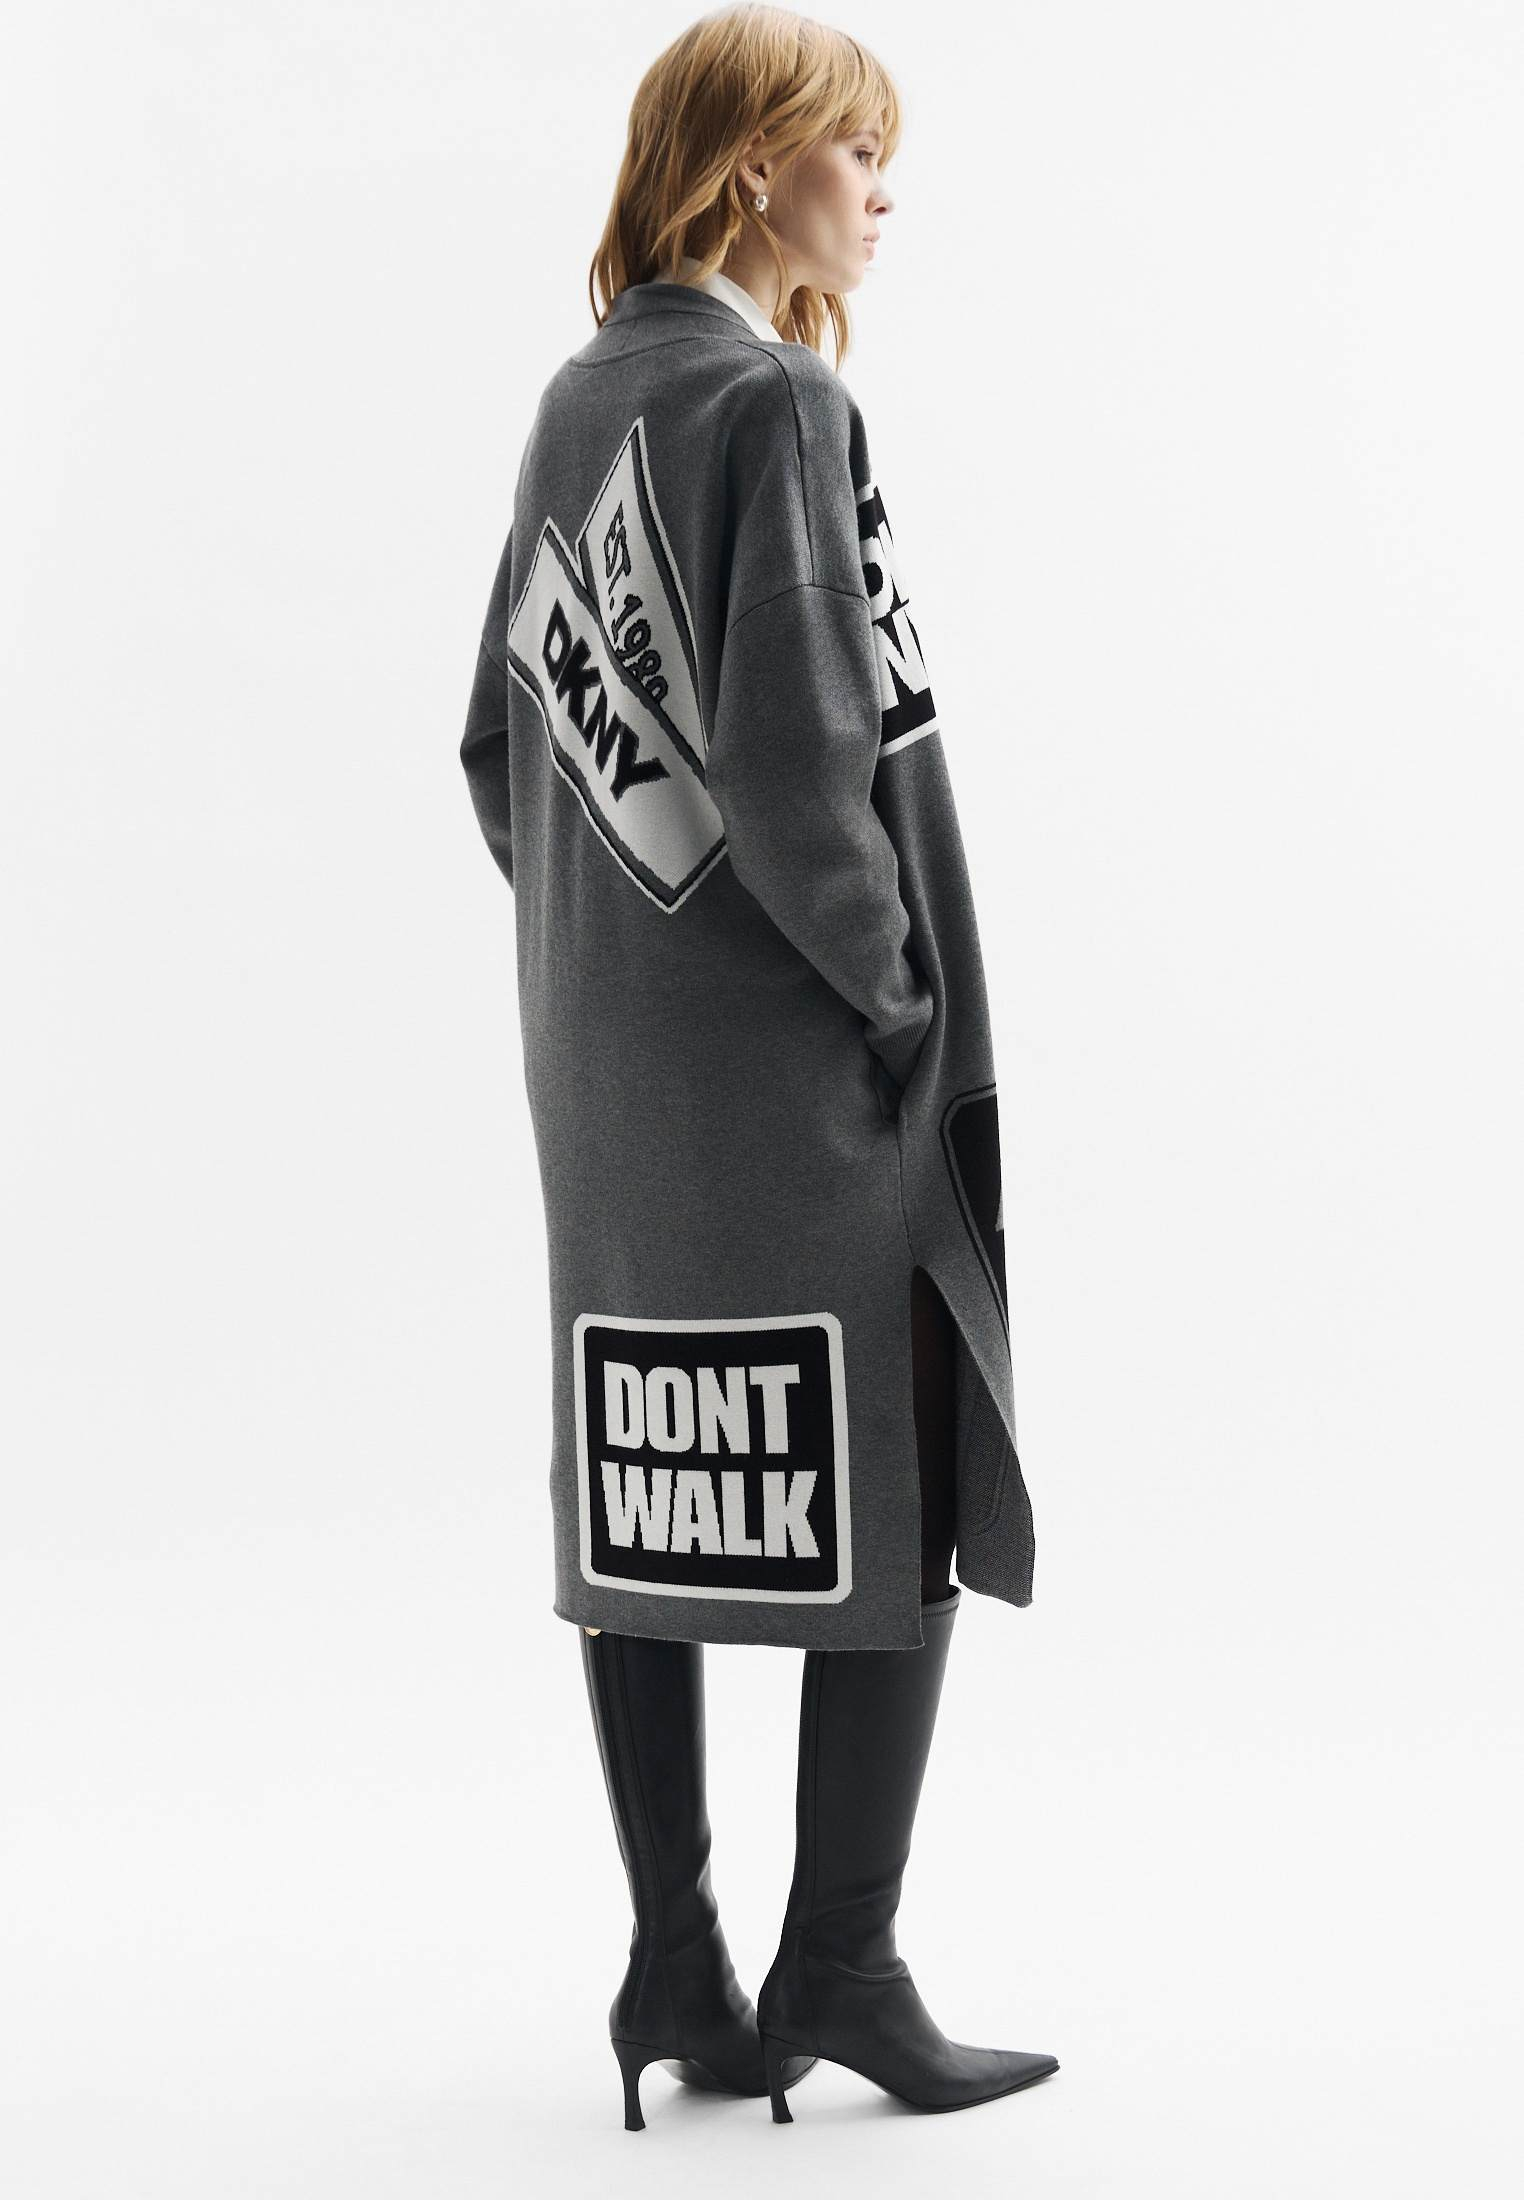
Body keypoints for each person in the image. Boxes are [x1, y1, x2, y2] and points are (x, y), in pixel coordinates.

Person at [458, 3, 1057, 2131]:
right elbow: (811, 780)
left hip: (608, 1076)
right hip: (800, 1076)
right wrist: (891, 994)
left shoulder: (576, 406)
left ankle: (676, 1966)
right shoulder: (778, 401)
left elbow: (496, 746)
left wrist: (623, 972)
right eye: (857, 153)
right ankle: (845, 1962)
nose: (885, 194)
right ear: (749, 172)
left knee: (652, 1465)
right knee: (902, 1441)